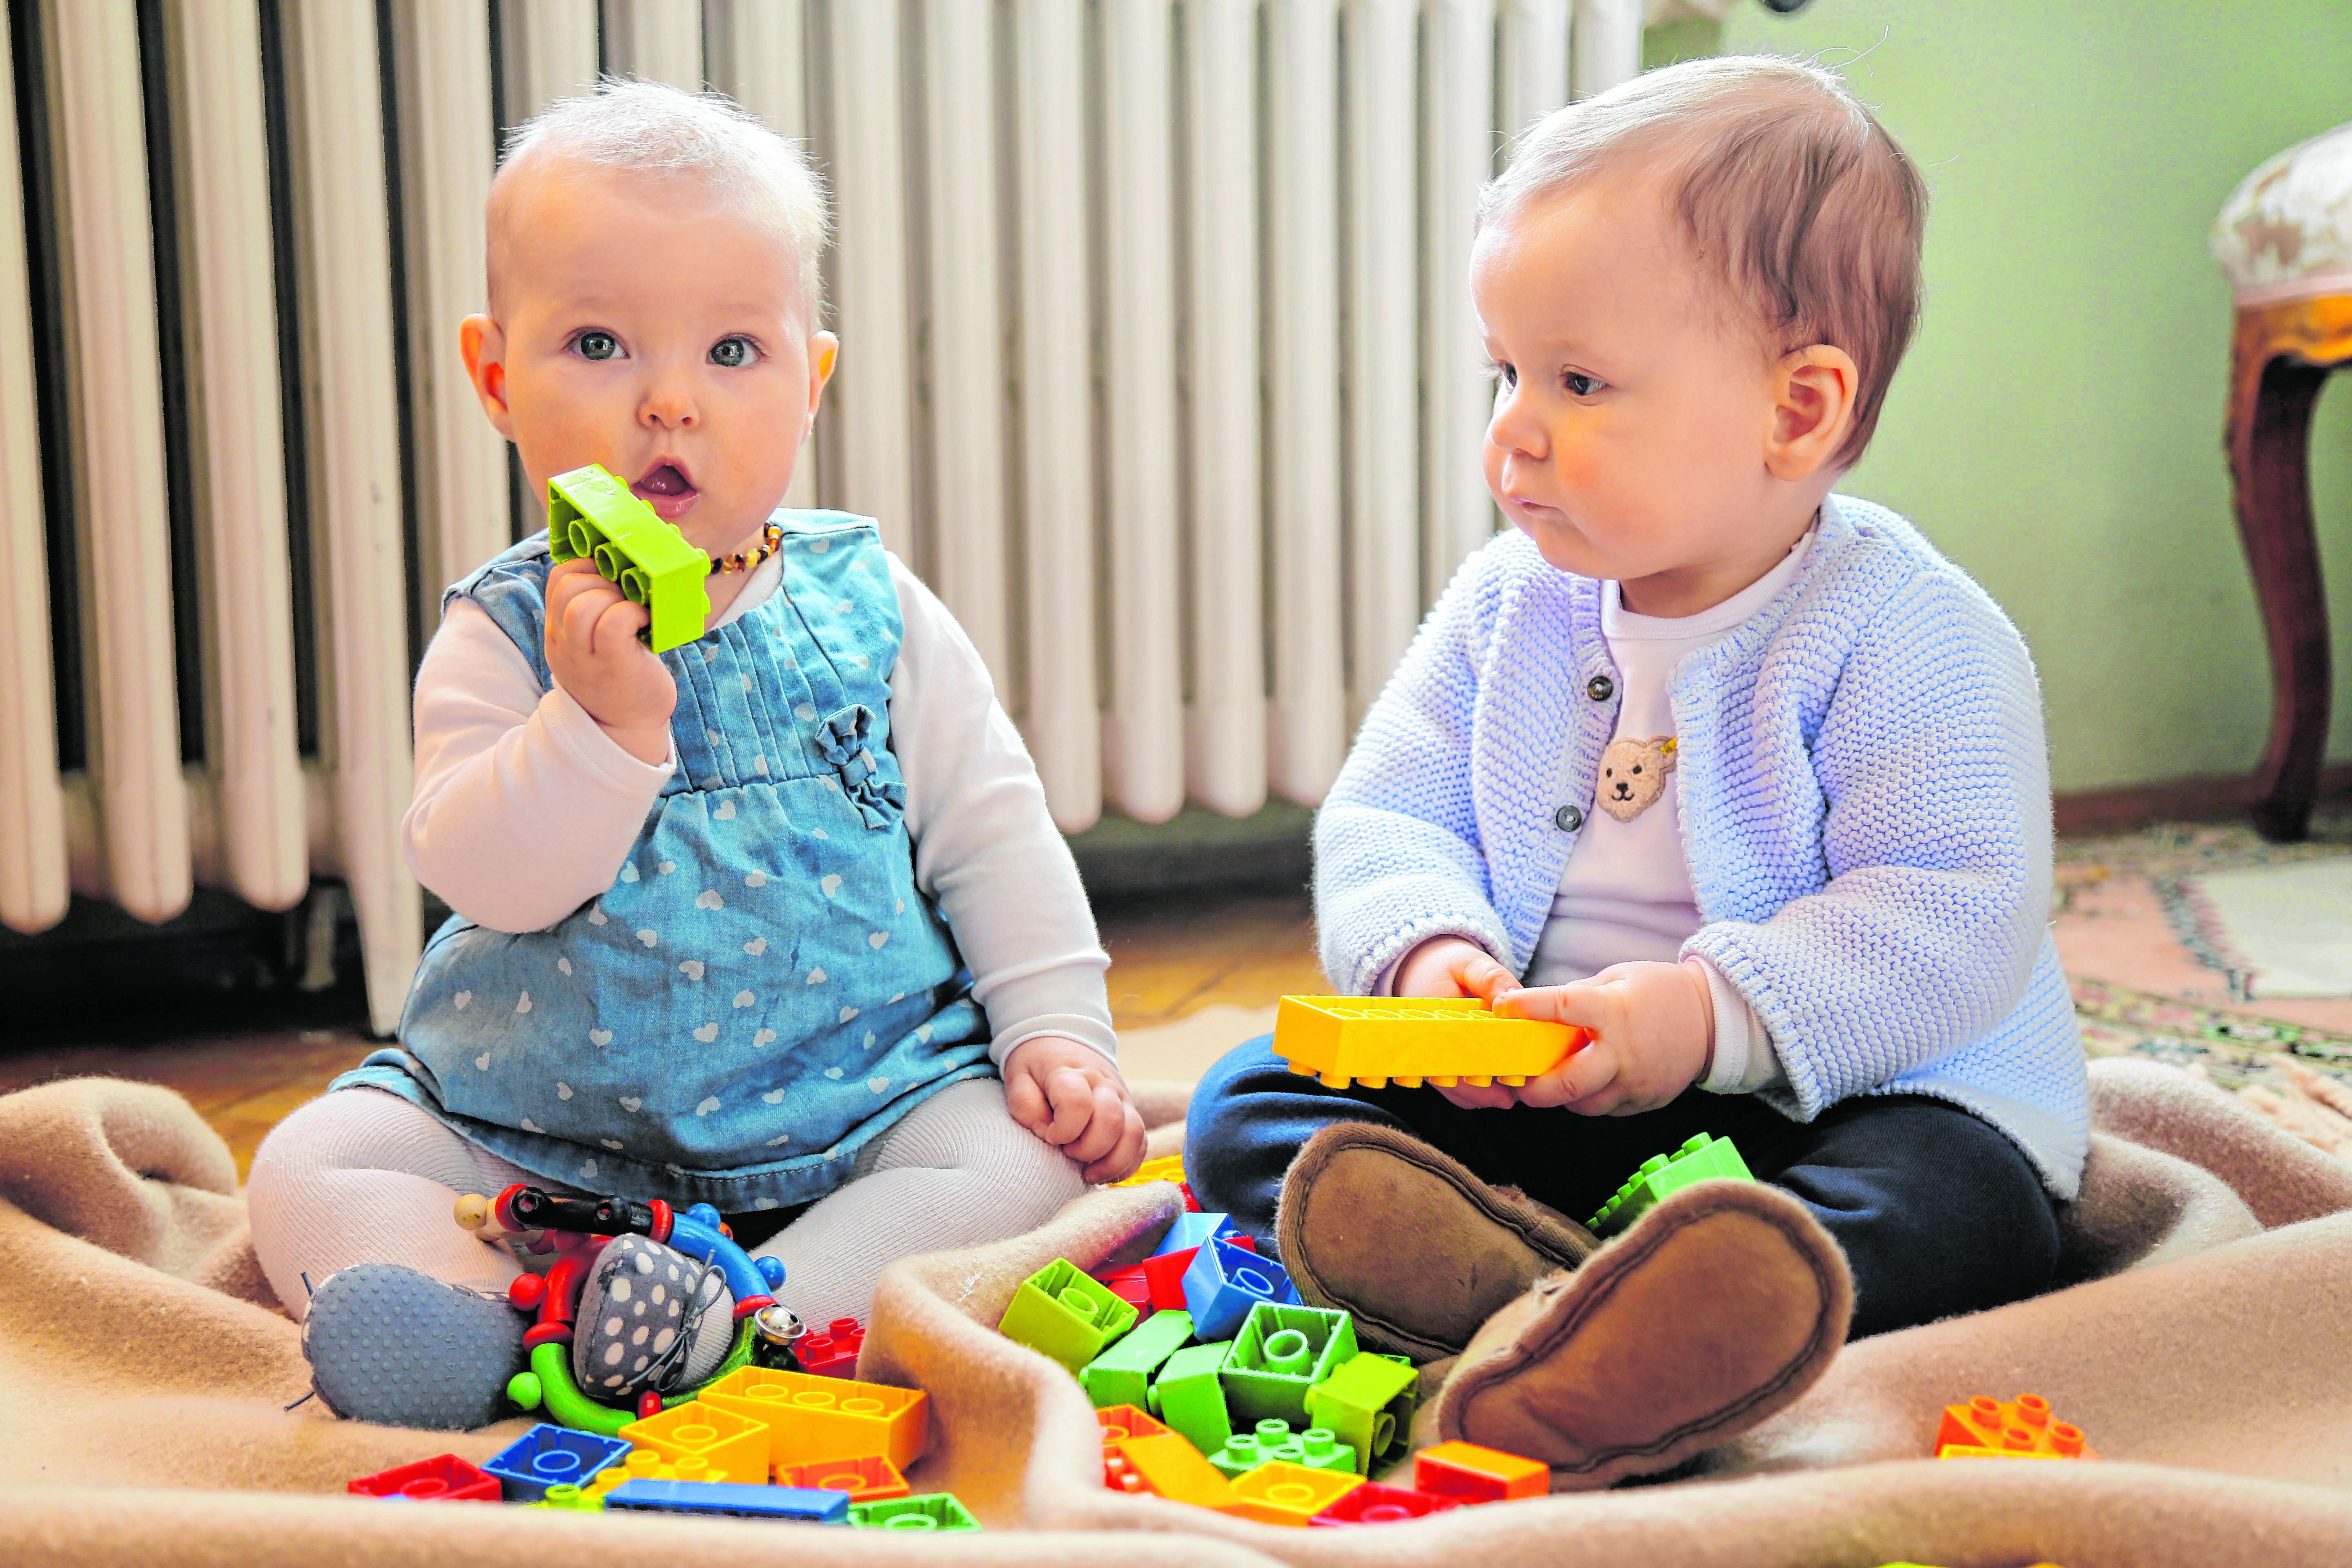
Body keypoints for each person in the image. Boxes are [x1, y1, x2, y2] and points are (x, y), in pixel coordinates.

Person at [1187, 55, 2087, 1487]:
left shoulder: (1910, 631)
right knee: (1246, 1103)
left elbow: (1953, 912)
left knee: (1969, 1204)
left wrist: (1710, 1016)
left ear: (1798, 410)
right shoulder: (1506, 604)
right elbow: (1393, 811)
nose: (1513, 428)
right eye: (1507, 372)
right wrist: (1430, 958)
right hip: (1542, 1100)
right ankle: (1541, 1292)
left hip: (1830, 1108)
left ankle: (1674, 1307)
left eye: (1580, 382)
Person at [247, 79, 1142, 1425]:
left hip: (857, 1109)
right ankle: (471, 1319)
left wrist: (1058, 1035)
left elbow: (995, 836)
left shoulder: (873, 608)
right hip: (531, 1128)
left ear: (810, 383)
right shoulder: (503, 631)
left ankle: (738, 1322)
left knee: (1014, 1164)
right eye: (599, 345)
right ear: (498, 378)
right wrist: (596, 728)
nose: (670, 402)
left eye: (731, 352)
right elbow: (487, 879)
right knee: (316, 1159)